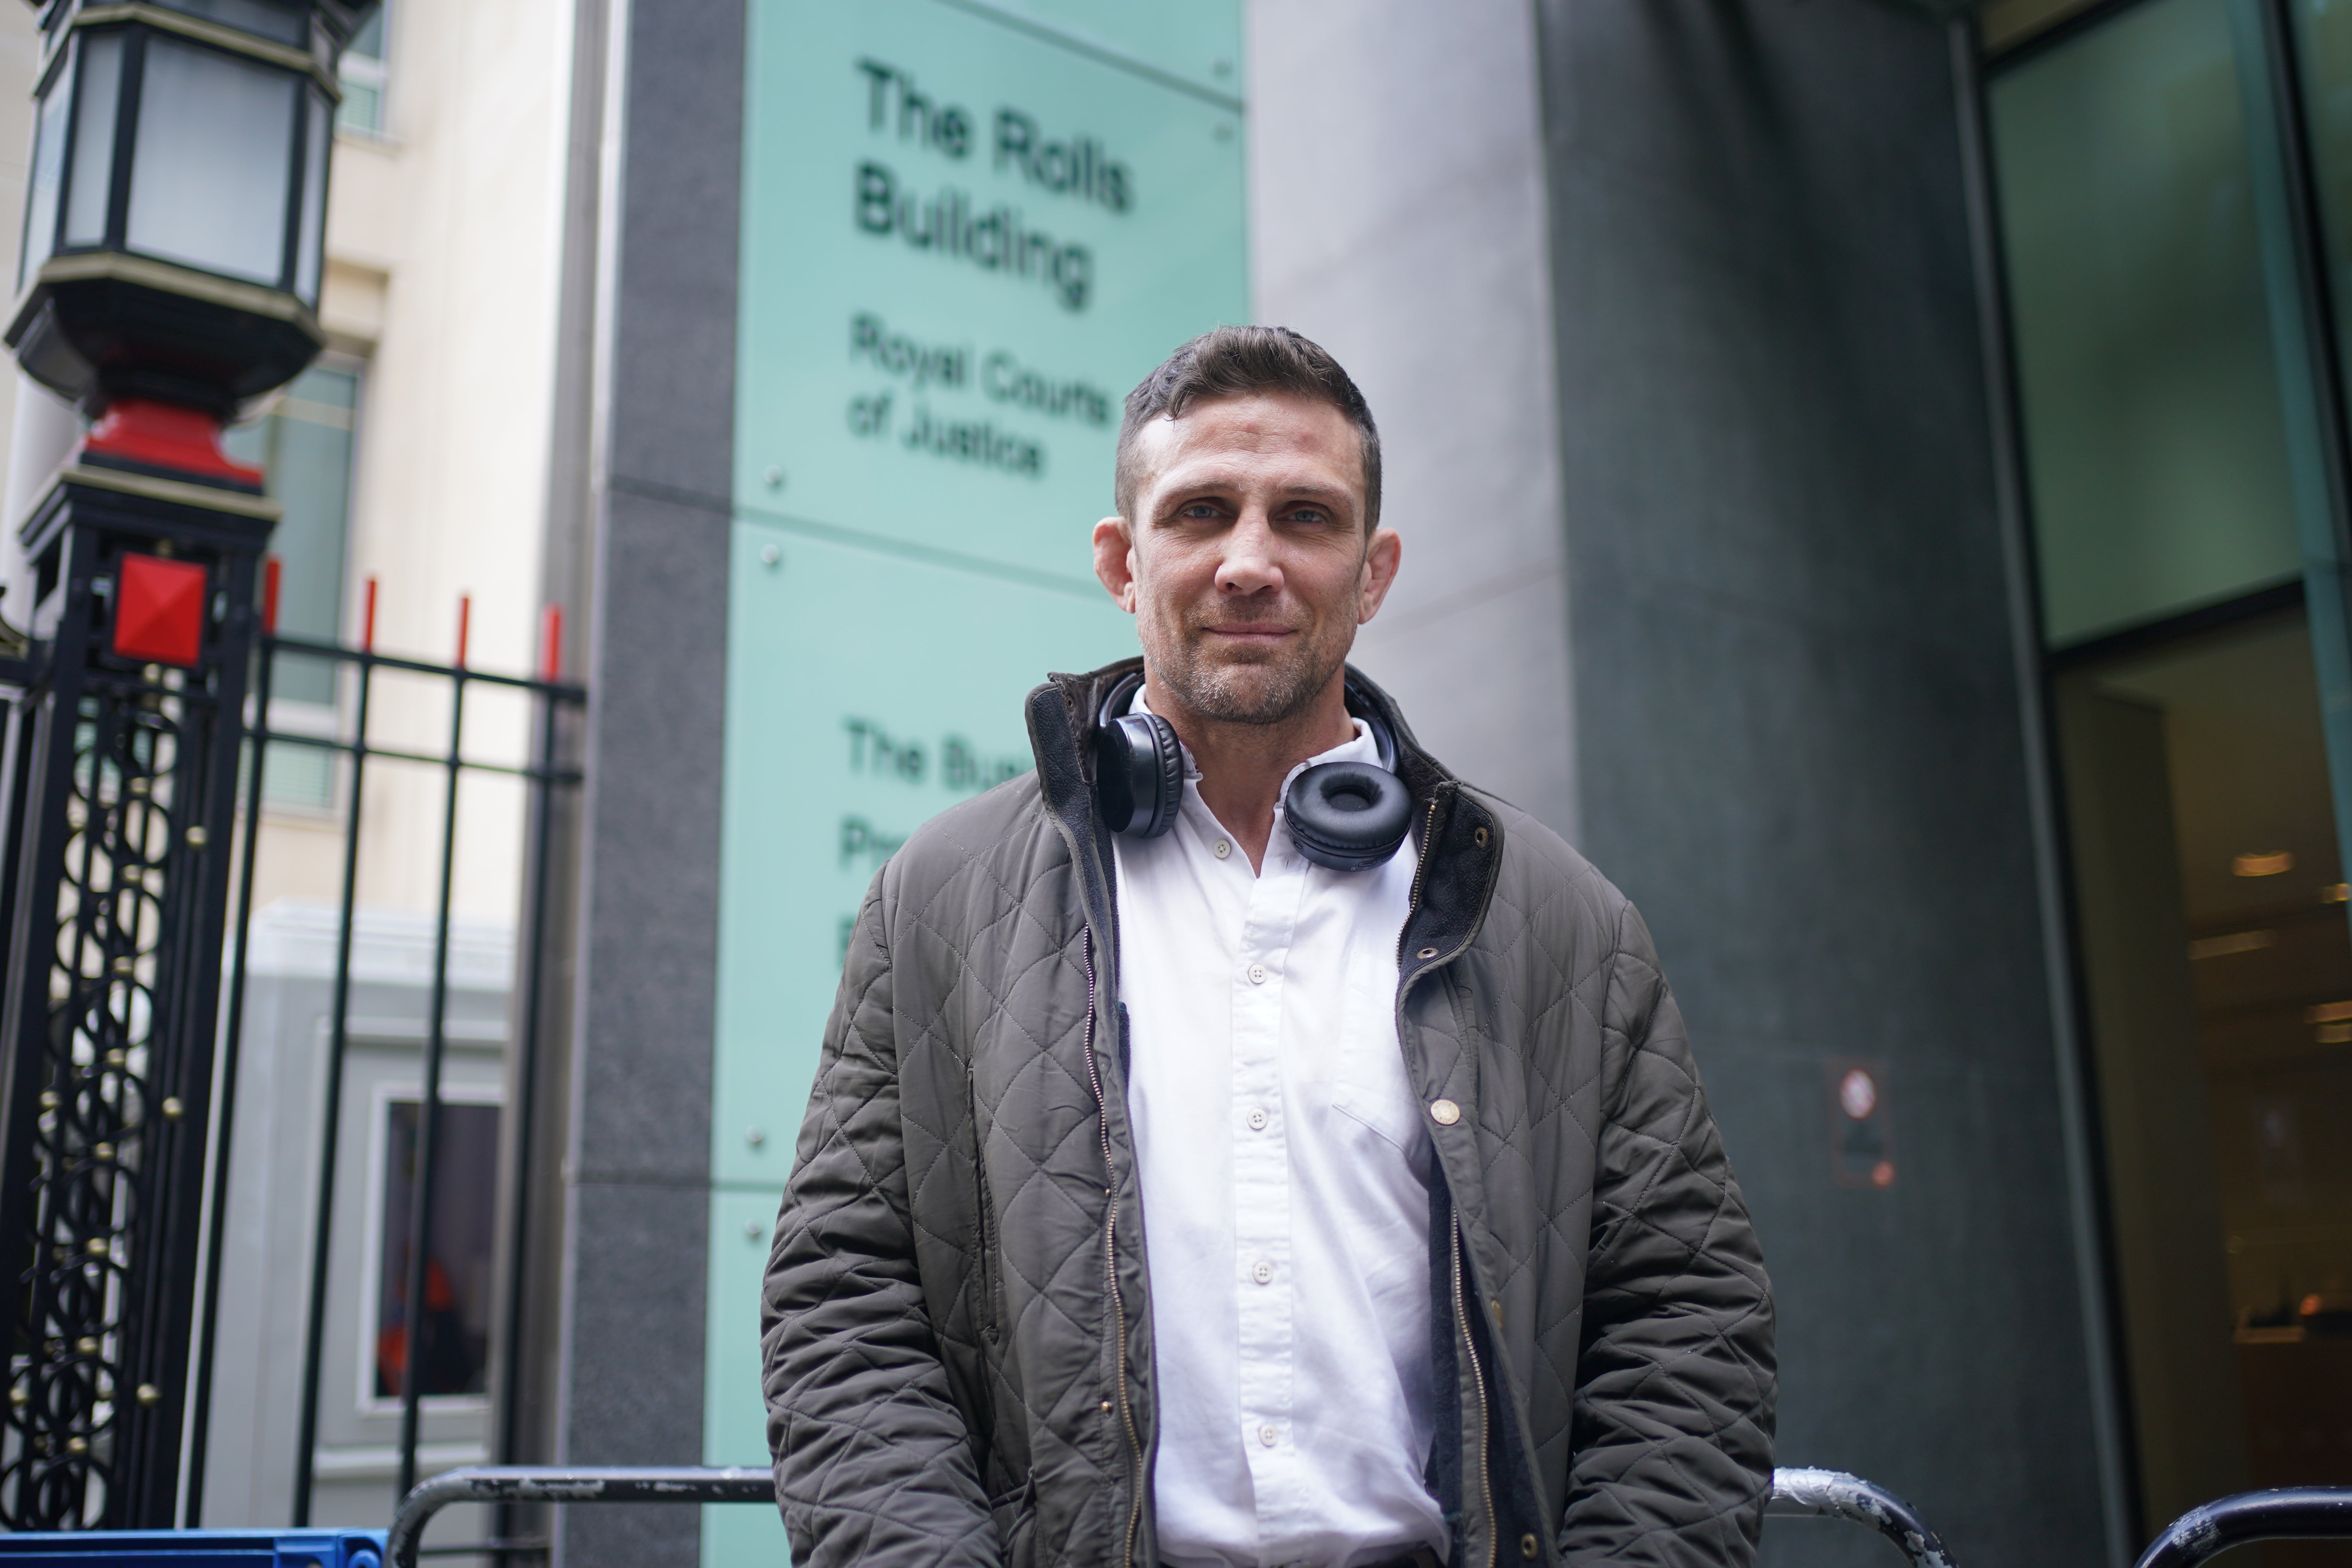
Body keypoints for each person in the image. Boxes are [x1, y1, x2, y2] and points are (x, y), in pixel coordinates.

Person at [762, 326, 1775, 1568]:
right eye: (1200, 513)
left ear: (1375, 570)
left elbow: (1687, 1322)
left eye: (1305, 515)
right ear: (1122, 564)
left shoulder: (1561, 917)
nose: (1251, 562)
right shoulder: (941, 896)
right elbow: (845, 1301)